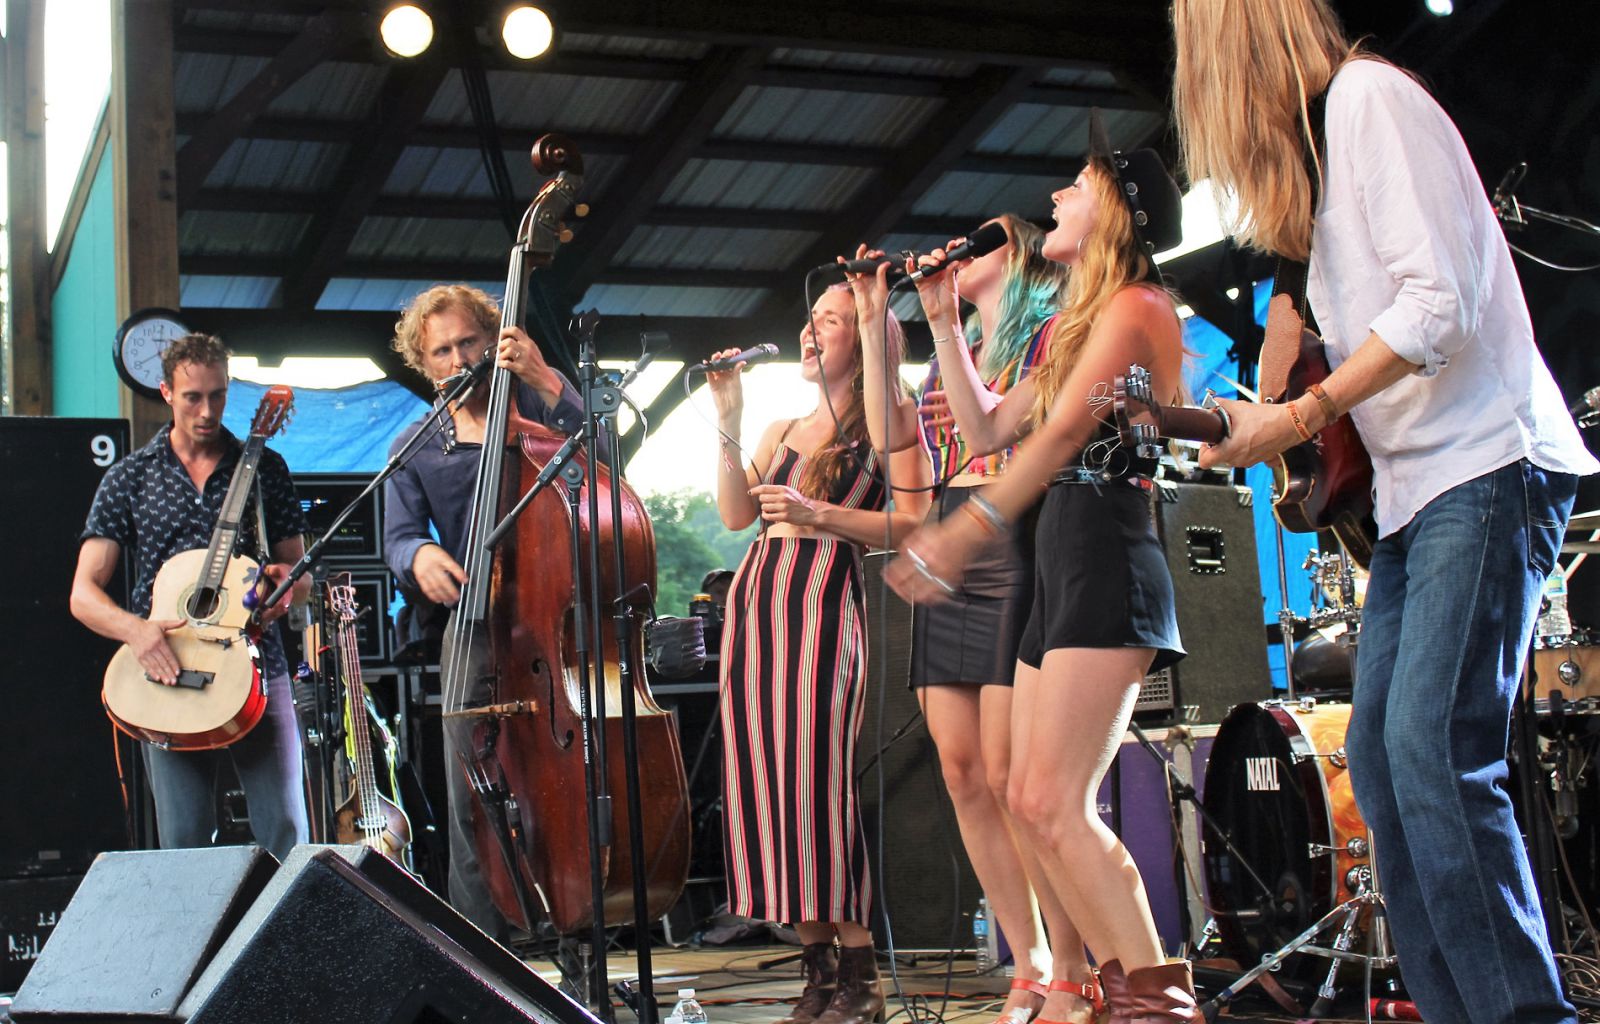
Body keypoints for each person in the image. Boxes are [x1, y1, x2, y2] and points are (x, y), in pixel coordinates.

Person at [1170, 3, 1596, 1021]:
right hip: (1417, 489)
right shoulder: (1316, 172)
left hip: (1488, 459)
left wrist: (1300, 414)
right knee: (1377, 754)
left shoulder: (1368, 100)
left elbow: (1436, 304)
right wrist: (1273, 406)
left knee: (1432, 748)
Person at [884, 113, 1196, 1019]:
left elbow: (1060, 437)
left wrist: (961, 531)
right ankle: (1113, 988)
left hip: (1106, 550)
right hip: (1059, 555)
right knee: (1028, 797)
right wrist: (942, 321)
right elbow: (986, 430)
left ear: (1119, 213)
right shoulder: (1076, 324)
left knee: (1055, 801)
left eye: (1077, 185)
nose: (1056, 194)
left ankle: (1154, 999)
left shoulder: (1138, 308)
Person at [850, 218, 1102, 1024]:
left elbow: (999, 426)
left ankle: (1070, 963)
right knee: (959, 770)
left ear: (1023, 260)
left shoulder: (1049, 340)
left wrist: (947, 328)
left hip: (1009, 537)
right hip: (951, 534)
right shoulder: (940, 356)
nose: (964, 253)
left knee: (1007, 771)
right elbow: (900, 450)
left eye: (985, 244)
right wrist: (872, 330)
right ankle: (1024, 961)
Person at [705, 284, 931, 1024]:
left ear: (864, 337)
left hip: (823, 598)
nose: (809, 333)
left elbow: (910, 524)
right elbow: (737, 514)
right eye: (808, 321)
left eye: (827, 322)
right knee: (764, 786)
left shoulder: (884, 421)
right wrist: (729, 417)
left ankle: (862, 978)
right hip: (757, 600)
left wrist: (816, 513)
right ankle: (819, 971)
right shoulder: (783, 426)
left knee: (816, 785)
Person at [382, 283, 592, 937]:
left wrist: (549, 381)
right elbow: (395, 537)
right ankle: (482, 937)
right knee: (469, 785)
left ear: (492, 339)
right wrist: (418, 556)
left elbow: (605, 461)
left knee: (567, 773)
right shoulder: (414, 444)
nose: (457, 358)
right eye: (442, 349)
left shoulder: (541, 411)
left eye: (468, 342)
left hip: (557, 614)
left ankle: (579, 923)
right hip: (473, 622)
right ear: (425, 361)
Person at [70, 333, 311, 862]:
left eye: (218, 396)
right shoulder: (130, 477)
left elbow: (301, 574)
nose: (207, 411)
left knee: (287, 833)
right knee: (183, 843)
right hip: (166, 671)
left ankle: (283, 942)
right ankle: (205, 947)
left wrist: (282, 587)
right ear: (165, 392)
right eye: (192, 397)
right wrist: (136, 630)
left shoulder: (265, 468)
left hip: (254, 668)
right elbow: (83, 594)